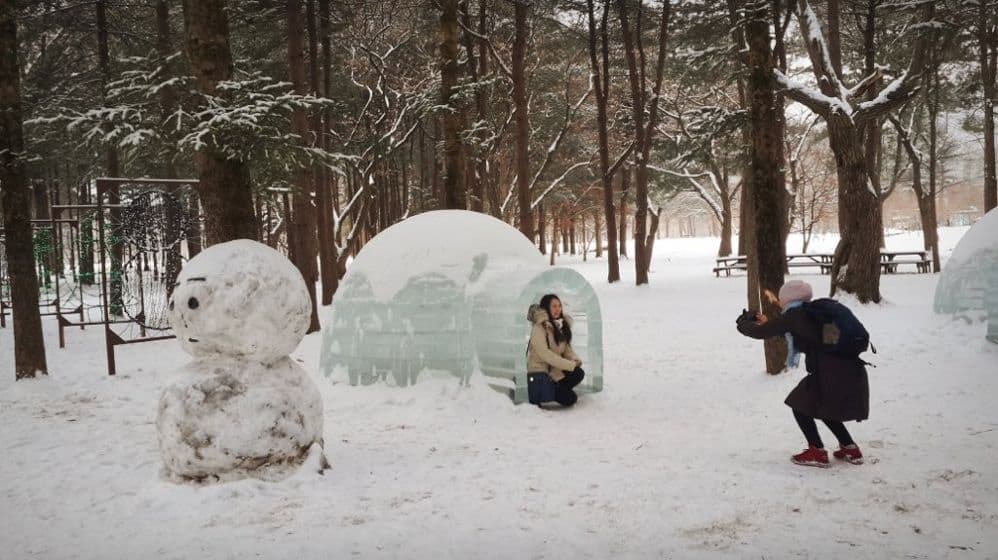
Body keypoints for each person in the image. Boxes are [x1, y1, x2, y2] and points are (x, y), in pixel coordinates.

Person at [736, 280, 869, 468]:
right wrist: (770, 324)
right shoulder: (816, 313)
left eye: (782, 298)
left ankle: (817, 451)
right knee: (821, 406)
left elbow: (763, 332)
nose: (780, 302)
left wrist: (743, 325)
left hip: (830, 372)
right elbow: (811, 338)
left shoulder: (795, 315)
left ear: (788, 298)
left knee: (800, 405)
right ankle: (849, 448)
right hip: (846, 367)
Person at [526, 294, 585, 407]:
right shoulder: (539, 327)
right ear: (546, 307)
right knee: (571, 399)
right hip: (541, 374)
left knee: (578, 373)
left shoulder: (558, 325)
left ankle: (558, 390)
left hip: (553, 372)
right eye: (554, 306)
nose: (558, 309)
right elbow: (546, 355)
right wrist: (569, 365)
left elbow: (566, 348)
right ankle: (550, 392)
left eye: (559, 306)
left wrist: (575, 360)